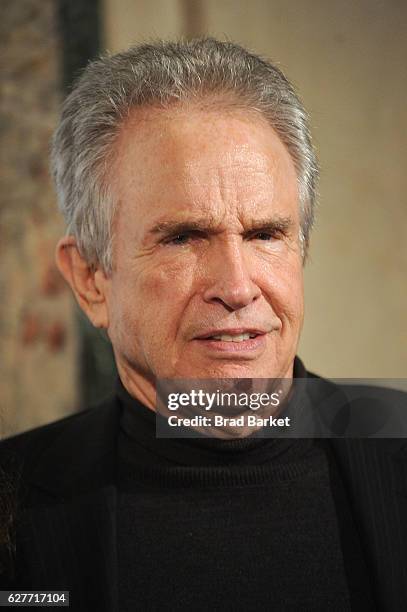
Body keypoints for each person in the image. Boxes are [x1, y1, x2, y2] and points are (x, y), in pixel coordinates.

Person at [0, 38, 405, 611]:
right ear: (91, 278)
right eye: (183, 237)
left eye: (266, 234)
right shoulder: (11, 499)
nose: (238, 288)